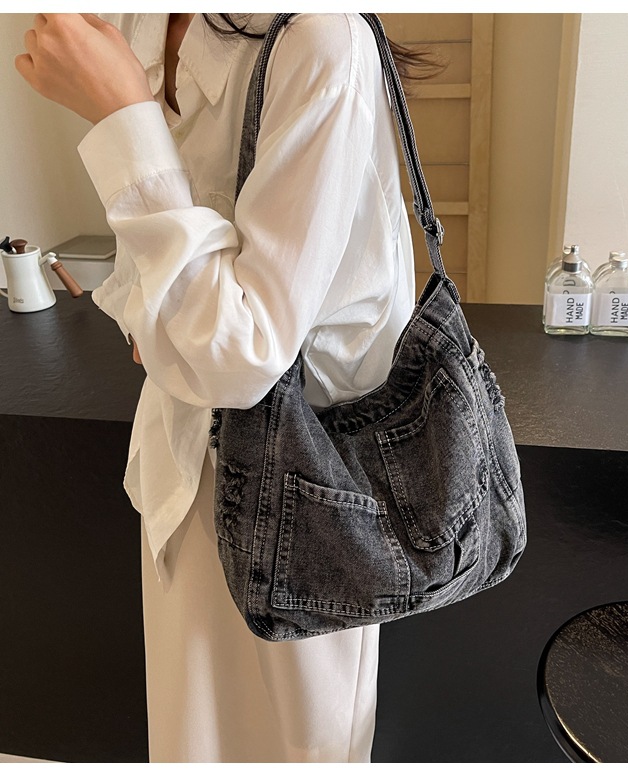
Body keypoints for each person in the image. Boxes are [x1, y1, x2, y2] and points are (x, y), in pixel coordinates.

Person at [16, 13, 417, 763]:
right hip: (181, 468)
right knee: (191, 740)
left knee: (293, 748)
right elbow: (155, 296)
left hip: (308, 493)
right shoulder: (148, 22)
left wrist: (121, 115)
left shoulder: (319, 40)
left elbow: (241, 354)